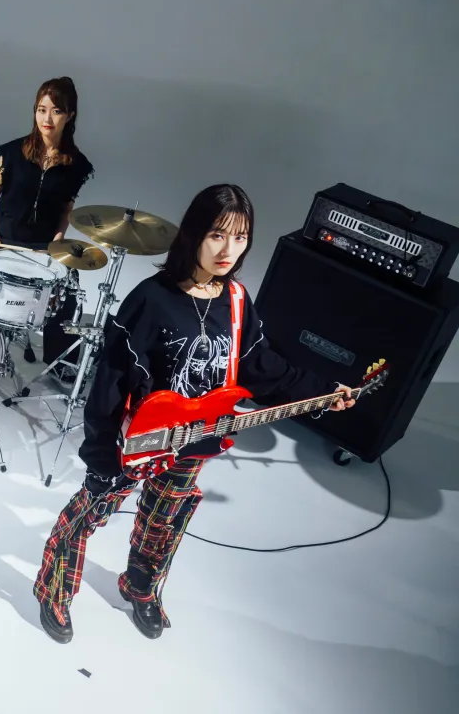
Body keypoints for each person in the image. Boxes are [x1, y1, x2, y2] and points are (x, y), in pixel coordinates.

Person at [32, 184, 356, 643]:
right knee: (89, 512)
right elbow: (111, 380)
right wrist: (101, 452)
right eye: (217, 235)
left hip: (196, 439)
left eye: (240, 237)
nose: (229, 250)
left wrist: (324, 391)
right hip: (136, 439)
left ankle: (140, 588)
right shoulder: (151, 299)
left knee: (165, 521)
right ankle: (53, 589)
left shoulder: (237, 301)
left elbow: (261, 366)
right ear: (193, 234)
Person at [0, 77, 95, 378]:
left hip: (40, 245)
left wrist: (57, 243)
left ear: (70, 115)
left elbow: (66, 211)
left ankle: (60, 364)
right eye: (41, 109)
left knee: (68, 288)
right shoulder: (12, 152)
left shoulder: (76, 165)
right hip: (1, 236)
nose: (47, 118)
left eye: (56, 111)